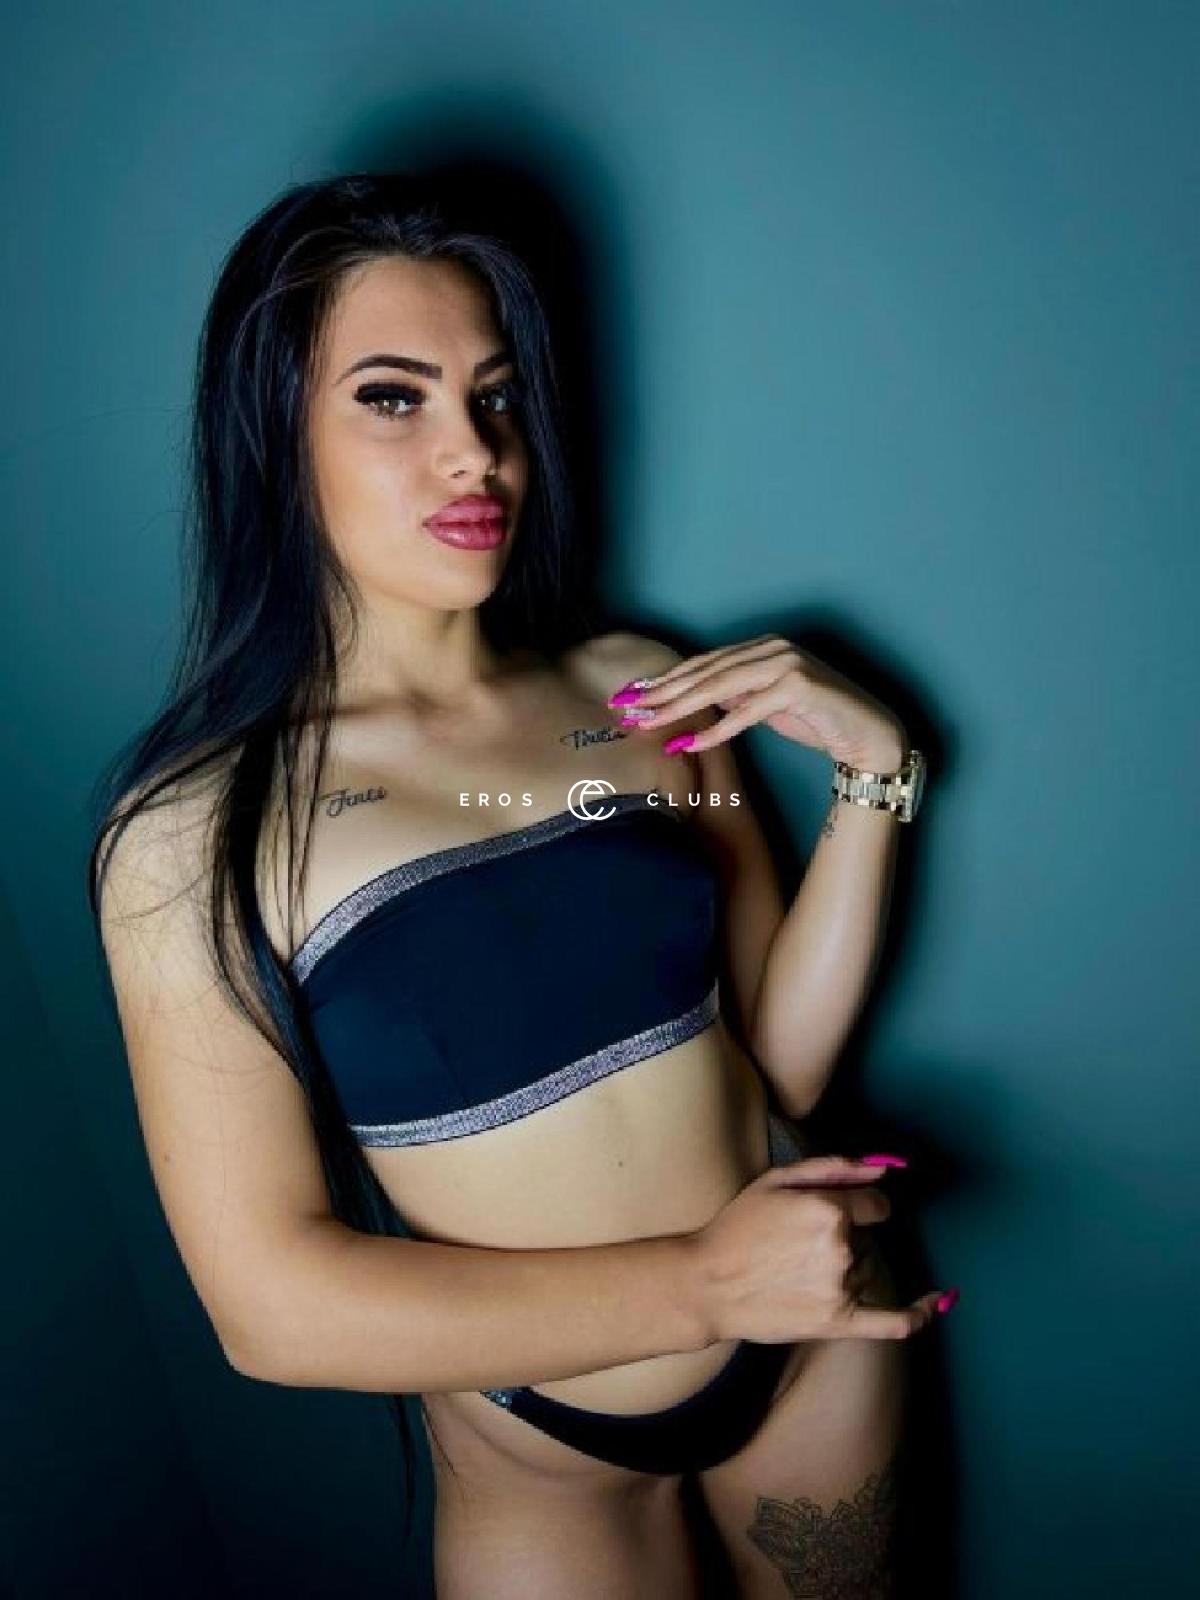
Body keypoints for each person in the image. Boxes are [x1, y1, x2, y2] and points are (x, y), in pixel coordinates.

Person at [87, 171, 957, 1599]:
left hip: (816, 1338)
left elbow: (776, 1057)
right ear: (272, 432)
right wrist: (708, 1284)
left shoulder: (638, 691)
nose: (473, 453)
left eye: (493, 398)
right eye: (393, 398)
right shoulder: (194, 835)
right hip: (547, 1453)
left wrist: (877, 776)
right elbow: (272, 1312)